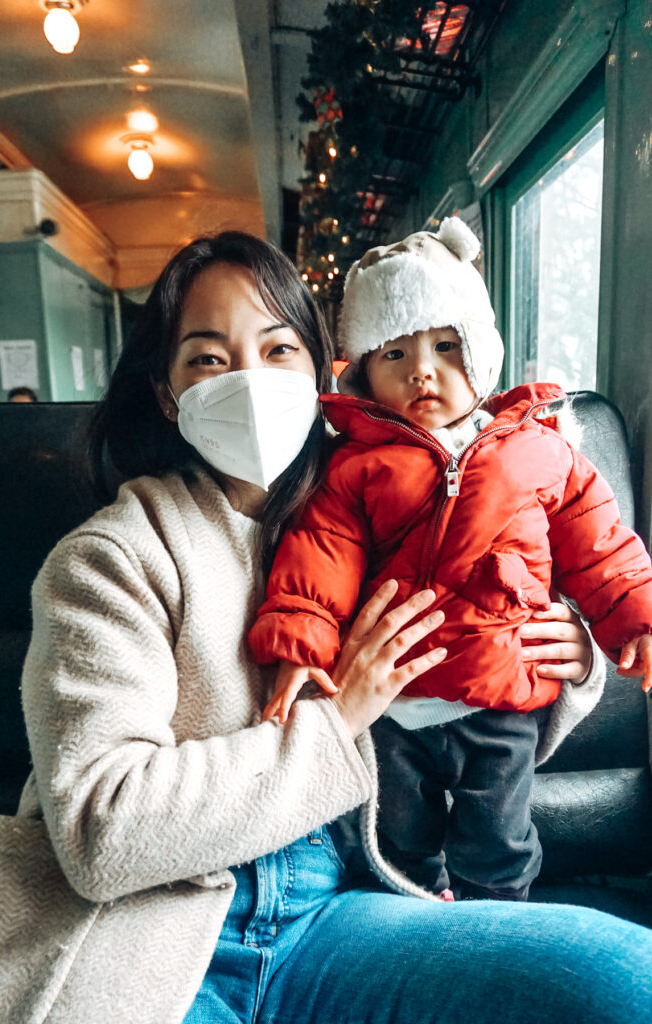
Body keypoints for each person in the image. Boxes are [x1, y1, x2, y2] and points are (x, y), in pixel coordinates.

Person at [0, 231, 651, 1024]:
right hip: (153, 934)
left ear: (326, 373)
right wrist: (339, 717)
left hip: (333, 911)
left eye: (278, 349)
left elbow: (504, 597)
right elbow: (101, 834)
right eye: (208, 358)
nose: (250, 381)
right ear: (166, 392)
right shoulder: (110, 559)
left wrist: (572, 652)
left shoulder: (390, 492)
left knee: (624, 982)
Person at [249, 217, 652, 901]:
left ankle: (497, 930)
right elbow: (319, 560)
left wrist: (635, 617)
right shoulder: (353, 467)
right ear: (363, 373)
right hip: (392, 703)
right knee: (396, 842)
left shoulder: (541, 449)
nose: (422, 370)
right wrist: (298, 649)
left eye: (444, 345)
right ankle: (417, 923)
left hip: (500, 696)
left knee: (498, 843)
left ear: (481, 352)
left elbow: (602, 544)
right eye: (394, 353)